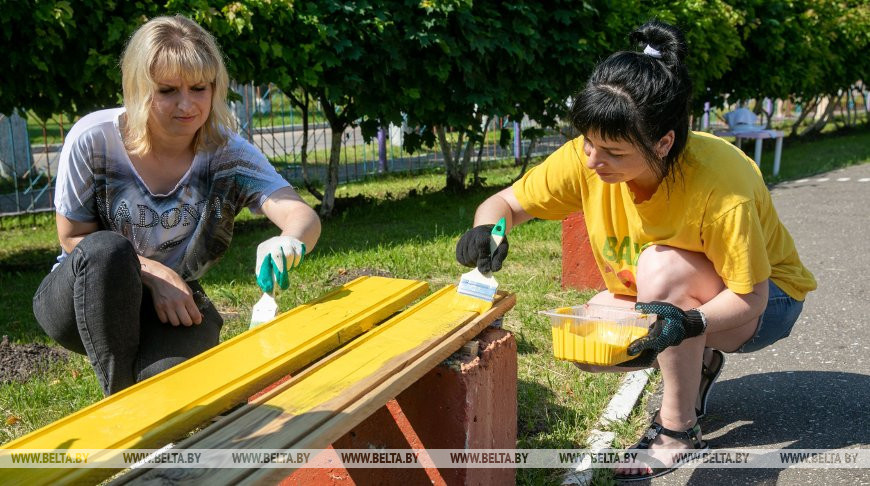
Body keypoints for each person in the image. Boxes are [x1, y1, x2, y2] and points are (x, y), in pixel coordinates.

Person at [455, 20, 815, 480]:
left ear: (664, 142)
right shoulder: (589, 156)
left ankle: (677, 432)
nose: (592, 160)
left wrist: (689, 323)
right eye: (587, 143)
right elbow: (504, 202)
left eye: (613, 152)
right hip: (690, 294)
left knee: (664, 268)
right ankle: (696, 359)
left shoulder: (722, 188)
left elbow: (752, 297)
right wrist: (489, 229)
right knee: (589, 336)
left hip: (769, 303)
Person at [32, 15, 321, 396]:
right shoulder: (94, 139)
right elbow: (73, 238)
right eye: (167, 90)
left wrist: (289, 240)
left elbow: (300, 214)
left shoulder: (226, 153)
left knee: (176, 388)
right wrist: (151, 273)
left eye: (199, 88)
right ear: (137, 89)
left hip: (169, 305)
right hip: (82, 297)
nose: (186, 104)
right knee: (108, 250)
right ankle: (122, 412)